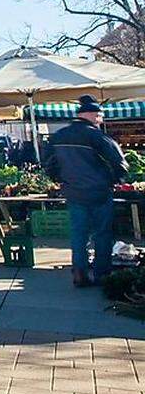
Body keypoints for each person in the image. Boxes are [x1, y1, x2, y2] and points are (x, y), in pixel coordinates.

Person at [44, 95, 128, 288]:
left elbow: (48, 164)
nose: (101, 120)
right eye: (99, 116)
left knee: (78, 234)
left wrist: (61, 181)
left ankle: (79, 273)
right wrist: (114, 180)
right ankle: (102, 274)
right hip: (99, 192)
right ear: (91, 115)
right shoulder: (97, 136)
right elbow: (120, 163)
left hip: (74, 192)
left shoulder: (59, 136)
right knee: (102, 234)